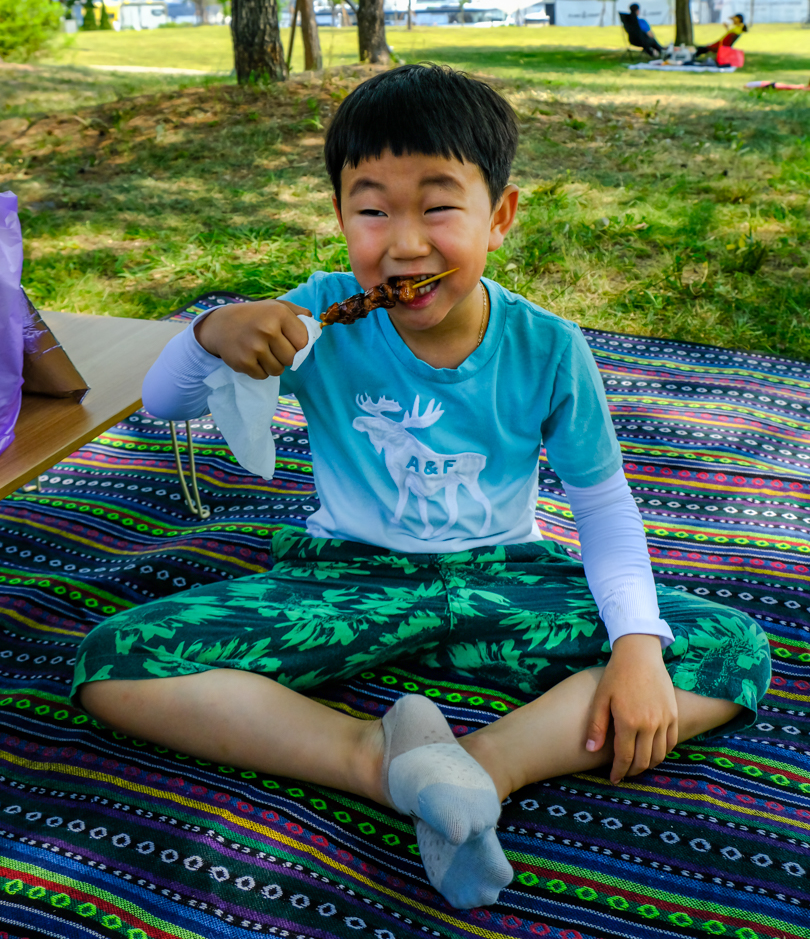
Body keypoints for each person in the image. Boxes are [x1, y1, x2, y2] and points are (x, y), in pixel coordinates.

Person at [70, 65, 770, 912]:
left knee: (729, 646)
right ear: (340, 217)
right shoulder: (319, 320)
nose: (403, 244)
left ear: (499, 216)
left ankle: (483, 769)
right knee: (114, 662)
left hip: (505, 579)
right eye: (372, 211)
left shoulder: (549, 349)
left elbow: (603, 507)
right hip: (345, 580)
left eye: (438, 206)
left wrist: (635, 648)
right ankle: (377, 758)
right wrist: (211, 331)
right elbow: (163, 403)